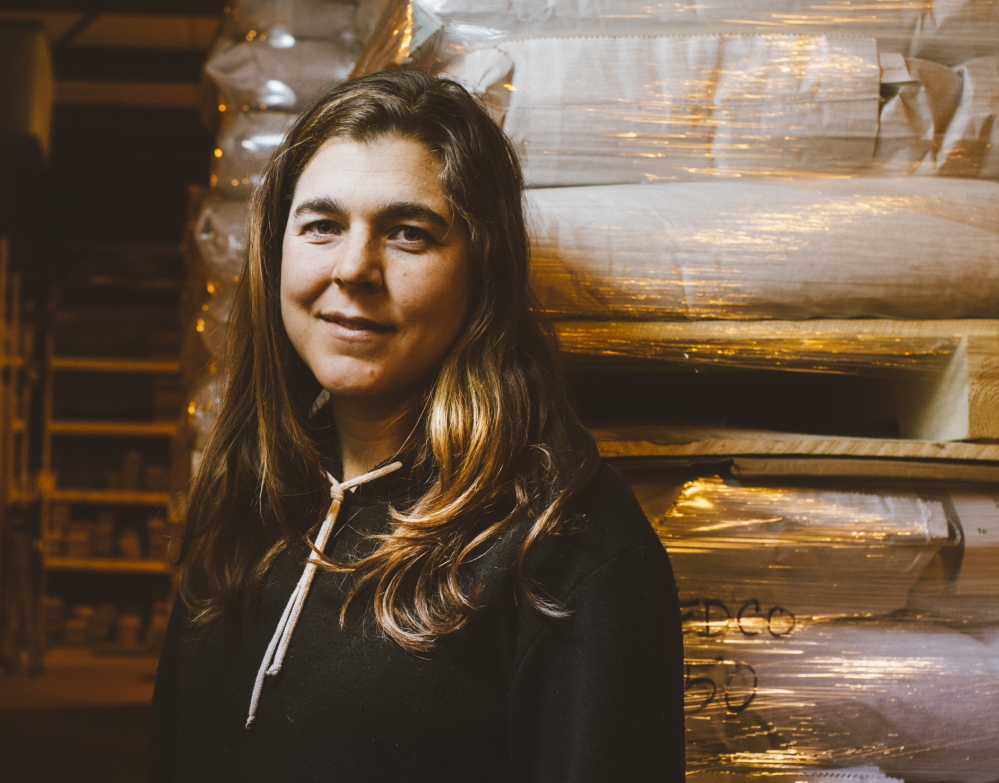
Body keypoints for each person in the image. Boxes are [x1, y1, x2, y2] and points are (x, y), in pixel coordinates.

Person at [149, 69, 684, 782]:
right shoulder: (252, 501)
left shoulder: (565, 544)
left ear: (483, 270)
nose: (353, 268)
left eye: (408, 233)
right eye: (321, 226)